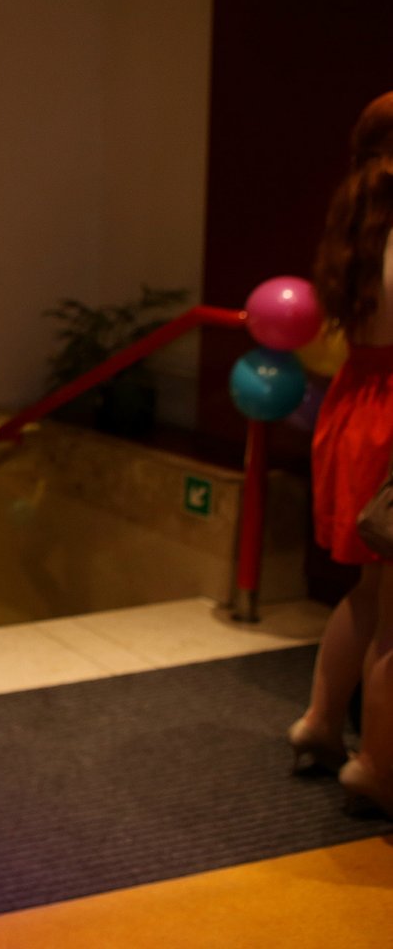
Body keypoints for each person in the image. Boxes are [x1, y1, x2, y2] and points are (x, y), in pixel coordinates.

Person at [288, 89, 393, 817]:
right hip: (388, 413)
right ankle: (377, 764)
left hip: (355, 404)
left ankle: (321, 724)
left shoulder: (354, 224)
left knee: (367, 589)